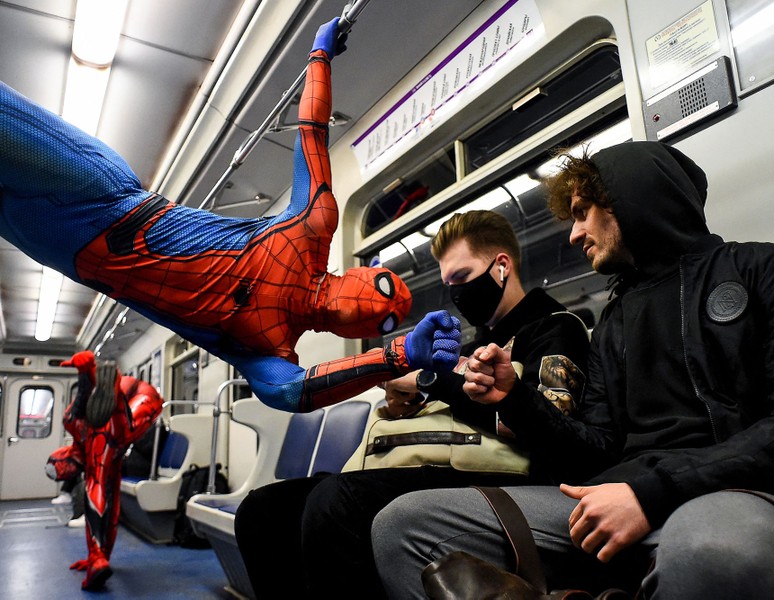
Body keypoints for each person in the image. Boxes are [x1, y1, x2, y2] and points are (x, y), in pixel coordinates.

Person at [371, 141, 774, 599]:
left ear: (629, 198)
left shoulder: (765, 269)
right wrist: (514, 398)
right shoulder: (615, 321)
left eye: (582, 213)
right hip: (623, 489)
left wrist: (651, 492)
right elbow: (594, 449)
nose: (574, 234)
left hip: (743, 490)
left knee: (712, 553)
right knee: (405, 527)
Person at [0, 18, 458, 414]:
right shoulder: (311, 229)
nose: (379, 307)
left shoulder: (270, 347)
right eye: (386, 289)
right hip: (108, 199)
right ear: (365, 272)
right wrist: (319, 57)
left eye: (384, 321)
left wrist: (395, 357)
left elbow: (288, 393)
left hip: (63, 251)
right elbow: (311, 134)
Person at [234, 210, 593, 598]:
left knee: (336, 503)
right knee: (264, 509)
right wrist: (405, 399)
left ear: (502, 266)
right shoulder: (473, 343)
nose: (456, 294)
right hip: (441, 461)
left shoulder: (555, 327)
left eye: (462, 277)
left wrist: (429, 381)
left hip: (504, 474)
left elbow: (552, 423)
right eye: (448, 284)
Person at [45, 350, 164, 591]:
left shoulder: (75, 426)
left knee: (96, 480)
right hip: (140, 400)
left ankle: (97, 555)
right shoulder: (76, 428)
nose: (67, 470)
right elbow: (111, 504)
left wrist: (85, 375)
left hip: (134, 398)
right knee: (110, 486)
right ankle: (100, 556)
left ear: (64, 455)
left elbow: (82, 400)